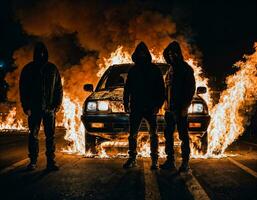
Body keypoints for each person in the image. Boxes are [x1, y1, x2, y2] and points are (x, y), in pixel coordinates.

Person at [19, 42, 63, 171]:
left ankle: (51, 162)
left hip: (49, 109)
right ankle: (33, 161)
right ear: (35, 53)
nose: (41, 54)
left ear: (46, 52)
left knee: (50, 136)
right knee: (33, 135)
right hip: (34, 108)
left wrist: (57, 106)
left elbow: (59, 89)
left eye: (43, 51)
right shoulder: (28, 69)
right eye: (39, 52)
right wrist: (26, 106)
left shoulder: (52, 69)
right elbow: (23, 89)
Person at [123, 42, 165, 169]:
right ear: (136, 54)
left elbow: (161, 89)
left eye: (143, 52)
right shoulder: (133, 70)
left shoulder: (155, 69)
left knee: (153, 134)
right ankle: (132, 158)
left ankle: (154, 160)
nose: (142, 55)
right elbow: (127, 89)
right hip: (136, 106)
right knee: (132, 134)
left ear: (147, 54)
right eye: (139, 52)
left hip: (151, 107)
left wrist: (158, 105)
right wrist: (126, 103)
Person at [160, 41, 196, 172]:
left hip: (180, 109)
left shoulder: (186, 69)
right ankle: (170, 161)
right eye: (169, 53)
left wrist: (185, 107)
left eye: (173, 53)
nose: (171, 55)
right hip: (169, 110)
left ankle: (185, 163)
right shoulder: (170, 70)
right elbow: (166, 90)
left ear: (178, 54)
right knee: (168, 136)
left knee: (183, 136)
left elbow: (191, 89)